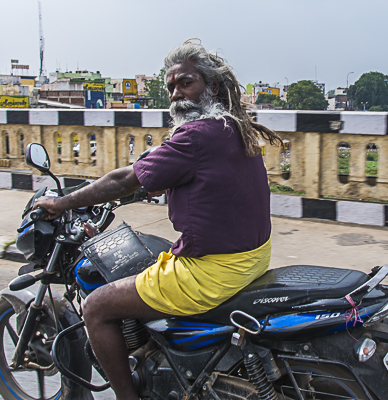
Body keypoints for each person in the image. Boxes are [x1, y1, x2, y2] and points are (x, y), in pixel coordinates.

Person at [34, 40, 282, 400]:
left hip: (213, 272)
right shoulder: (232, 127)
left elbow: (124, 179)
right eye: (171, 88)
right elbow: (190, 176)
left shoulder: (195, 136)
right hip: (252, 258)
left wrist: (63, 202)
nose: (176, 94)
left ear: (211, 87)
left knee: (97, 306)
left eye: (186, 83)